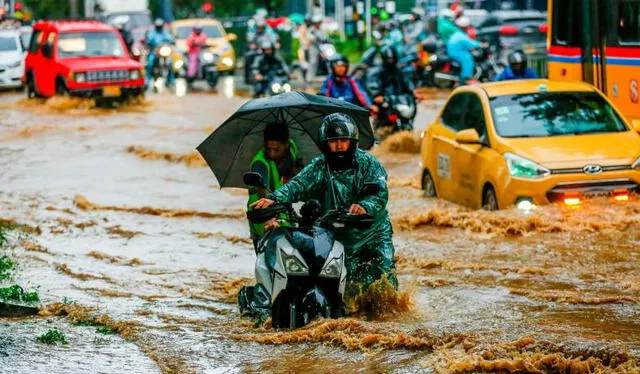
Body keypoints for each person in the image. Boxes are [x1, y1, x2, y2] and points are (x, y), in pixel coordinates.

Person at [251, 113, 397, 291]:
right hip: (334, 235)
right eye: (333, 141)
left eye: (344, 140)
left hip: (372, 234)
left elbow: (380, 194)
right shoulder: (319, 166)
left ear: (352, 141)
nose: (339, 146)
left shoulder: (368, 163)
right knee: (343, 290)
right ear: (324, 143)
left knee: (384, 286)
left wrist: (364, 206)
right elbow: (298, 185)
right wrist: (274, 199)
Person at [247, 122, 301, 249]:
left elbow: (295, 176)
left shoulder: (292, 148)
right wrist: (269, 219)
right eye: (268, 148)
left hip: (284, 214)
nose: (271, 153)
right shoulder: (260, 164)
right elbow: (262, 193)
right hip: (261, 216)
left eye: (276, 149)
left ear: (286, 144)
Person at [446, 16, 486, 85]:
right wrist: (481, 45)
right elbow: (469, 42)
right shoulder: (461, 35)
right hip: (456, 53)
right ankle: (465, 79)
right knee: (468, 59)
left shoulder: (458, 33)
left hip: (455, 51)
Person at [144, 18, 175, 87]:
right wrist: (148, 43)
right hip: (155, 51)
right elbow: (149, 40)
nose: (159, 27)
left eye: (160, 26)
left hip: (164, 51)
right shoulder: (152, 33)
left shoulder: (165, 32)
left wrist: (172, 41)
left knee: (171, 63)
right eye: (158, 26)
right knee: (150, 63)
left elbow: (170, 38)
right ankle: (147, 80)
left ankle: (171, 80)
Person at [306, 14, 328, 82]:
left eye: (319, 22)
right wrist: (314, 38)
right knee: (313, 62)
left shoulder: (322, 29)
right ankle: (309, 79)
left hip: (323, 48)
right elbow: (310, 37)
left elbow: (325, 37)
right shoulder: (311, 30)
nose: (318, 24)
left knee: (328, 60)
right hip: (314, 48)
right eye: (316, 23)